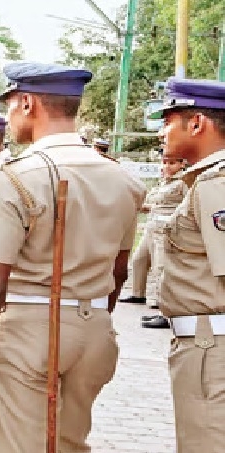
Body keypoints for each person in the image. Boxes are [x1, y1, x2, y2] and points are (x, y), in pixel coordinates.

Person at [0, 62, 145, 451]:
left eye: (8, 106)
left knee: (17, 445)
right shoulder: (123, 178)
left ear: (27, 103)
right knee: (69, 443)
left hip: (32, 327)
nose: (6, 118)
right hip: (95, 329)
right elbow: (119, 272)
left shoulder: (16, 176)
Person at [147, 77, 225, 452]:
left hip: (214, 345)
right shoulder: (202, 182)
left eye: (168, 120)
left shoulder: (217, 183)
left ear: (196, 124)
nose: (161, 132)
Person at [118, 154, 187, 329]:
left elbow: (186, 207)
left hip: (165, 229)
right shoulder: (163, 181)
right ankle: (138, 294)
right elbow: (154, 203)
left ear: (181, 164)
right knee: (139, 261)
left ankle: (165, 309)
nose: (167, 166)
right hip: (151, 225)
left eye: (172, 163)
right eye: (165, 162)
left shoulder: (184, 182)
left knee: (161, 269)